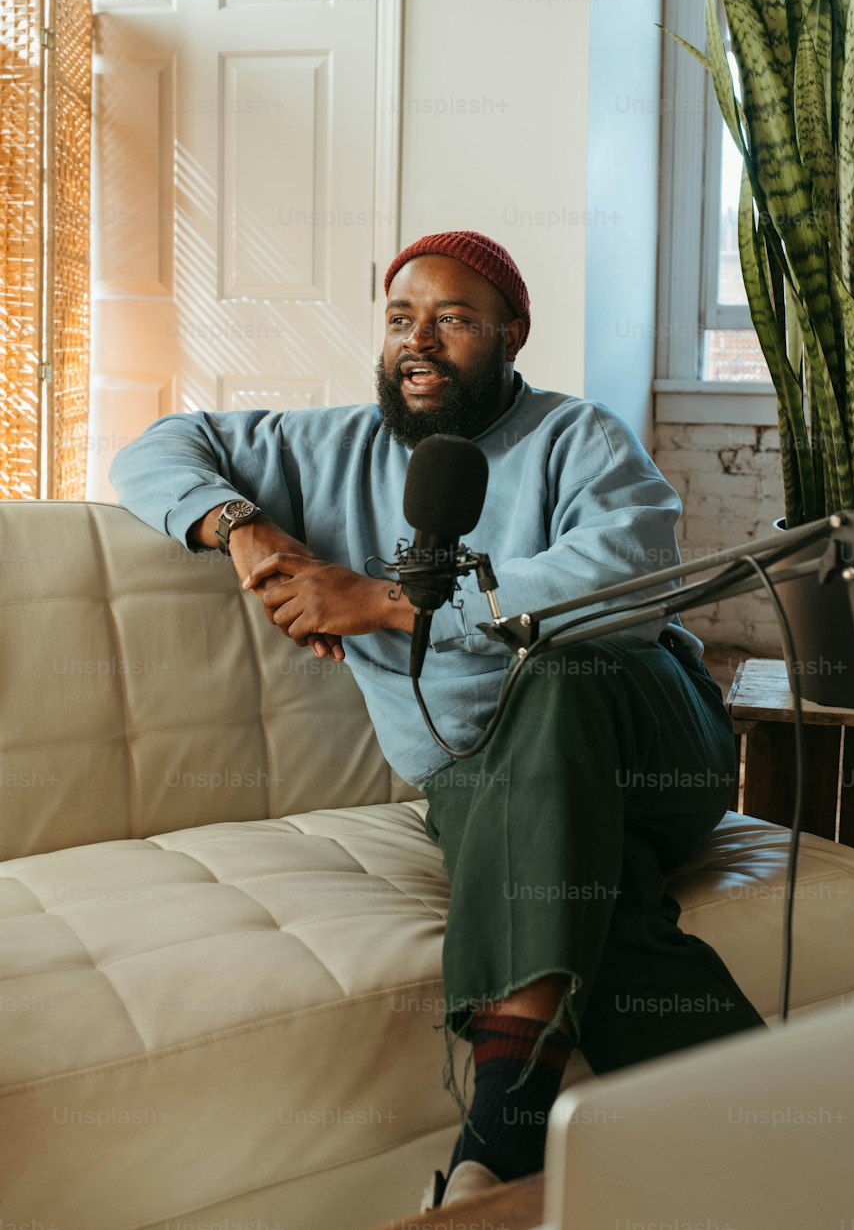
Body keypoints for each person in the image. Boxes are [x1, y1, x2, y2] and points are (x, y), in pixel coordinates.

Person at [109, 230, 765, 1212]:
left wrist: (389, 602)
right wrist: (243, 526)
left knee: (559, 671)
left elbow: (631, 575)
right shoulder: (323, 447)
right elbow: (155, 447)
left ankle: (497, 1134)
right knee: (597, 890)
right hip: (480, 782)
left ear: (511, 333)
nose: (419, 340)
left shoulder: (574, 436)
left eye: (454, 319)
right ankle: (772, 1122)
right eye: (400, 318)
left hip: (654, 748)